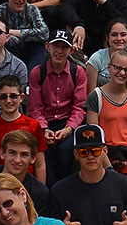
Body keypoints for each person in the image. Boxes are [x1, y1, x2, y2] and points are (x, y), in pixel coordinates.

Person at [29, 28, 88, 185]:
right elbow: (35, 107)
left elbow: (79, 107)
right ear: (48, 46)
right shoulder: (37, 72)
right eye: (56, 46)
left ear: (71, 50)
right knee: (43, 151)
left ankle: (62, 189)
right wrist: (44, 128)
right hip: (44, 123)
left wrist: (68, 129)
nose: (59, 51)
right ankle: (50, 192)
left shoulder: (78, 72)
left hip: (67, 122)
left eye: (64, 47)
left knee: (65, 150)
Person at [84, 49, 127, 182]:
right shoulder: (96, 97)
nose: (121, 73)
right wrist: (109, 169)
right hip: (103, 161)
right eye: (117, 68)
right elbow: (93, 136)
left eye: (126, 70)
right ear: (109, 67)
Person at [0, 75, 49, 179]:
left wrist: (40, 193)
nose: (8, 101)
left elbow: (40, 165)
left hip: (26, 182)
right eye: (3, 96)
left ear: (22, 97)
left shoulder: (33, 125)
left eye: (13, 96)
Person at [86, 18, 127, 88]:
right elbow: (90, 94)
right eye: (114, 35)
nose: (119, 38)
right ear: (107, 37)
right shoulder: (96, 59)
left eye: (123, 35)